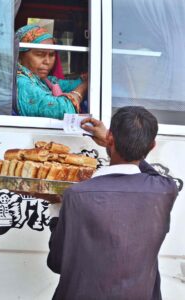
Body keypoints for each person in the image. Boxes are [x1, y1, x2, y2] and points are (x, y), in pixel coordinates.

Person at [47, 106, 178, 300]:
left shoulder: (76, 195)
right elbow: (149, 170)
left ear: (110, 138)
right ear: (152, 146)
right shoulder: (165, 190)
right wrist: (116, 144)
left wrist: (57, 207)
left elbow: (57, 263)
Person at [15, 24, 88, 119]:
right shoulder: (22, 82)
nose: (47, 62)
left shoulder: (43, 80)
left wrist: (85, 79)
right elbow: (64, 110)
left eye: (52, 55)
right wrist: (83, 87)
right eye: (40, 54)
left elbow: (67, 85)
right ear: (20, 55)